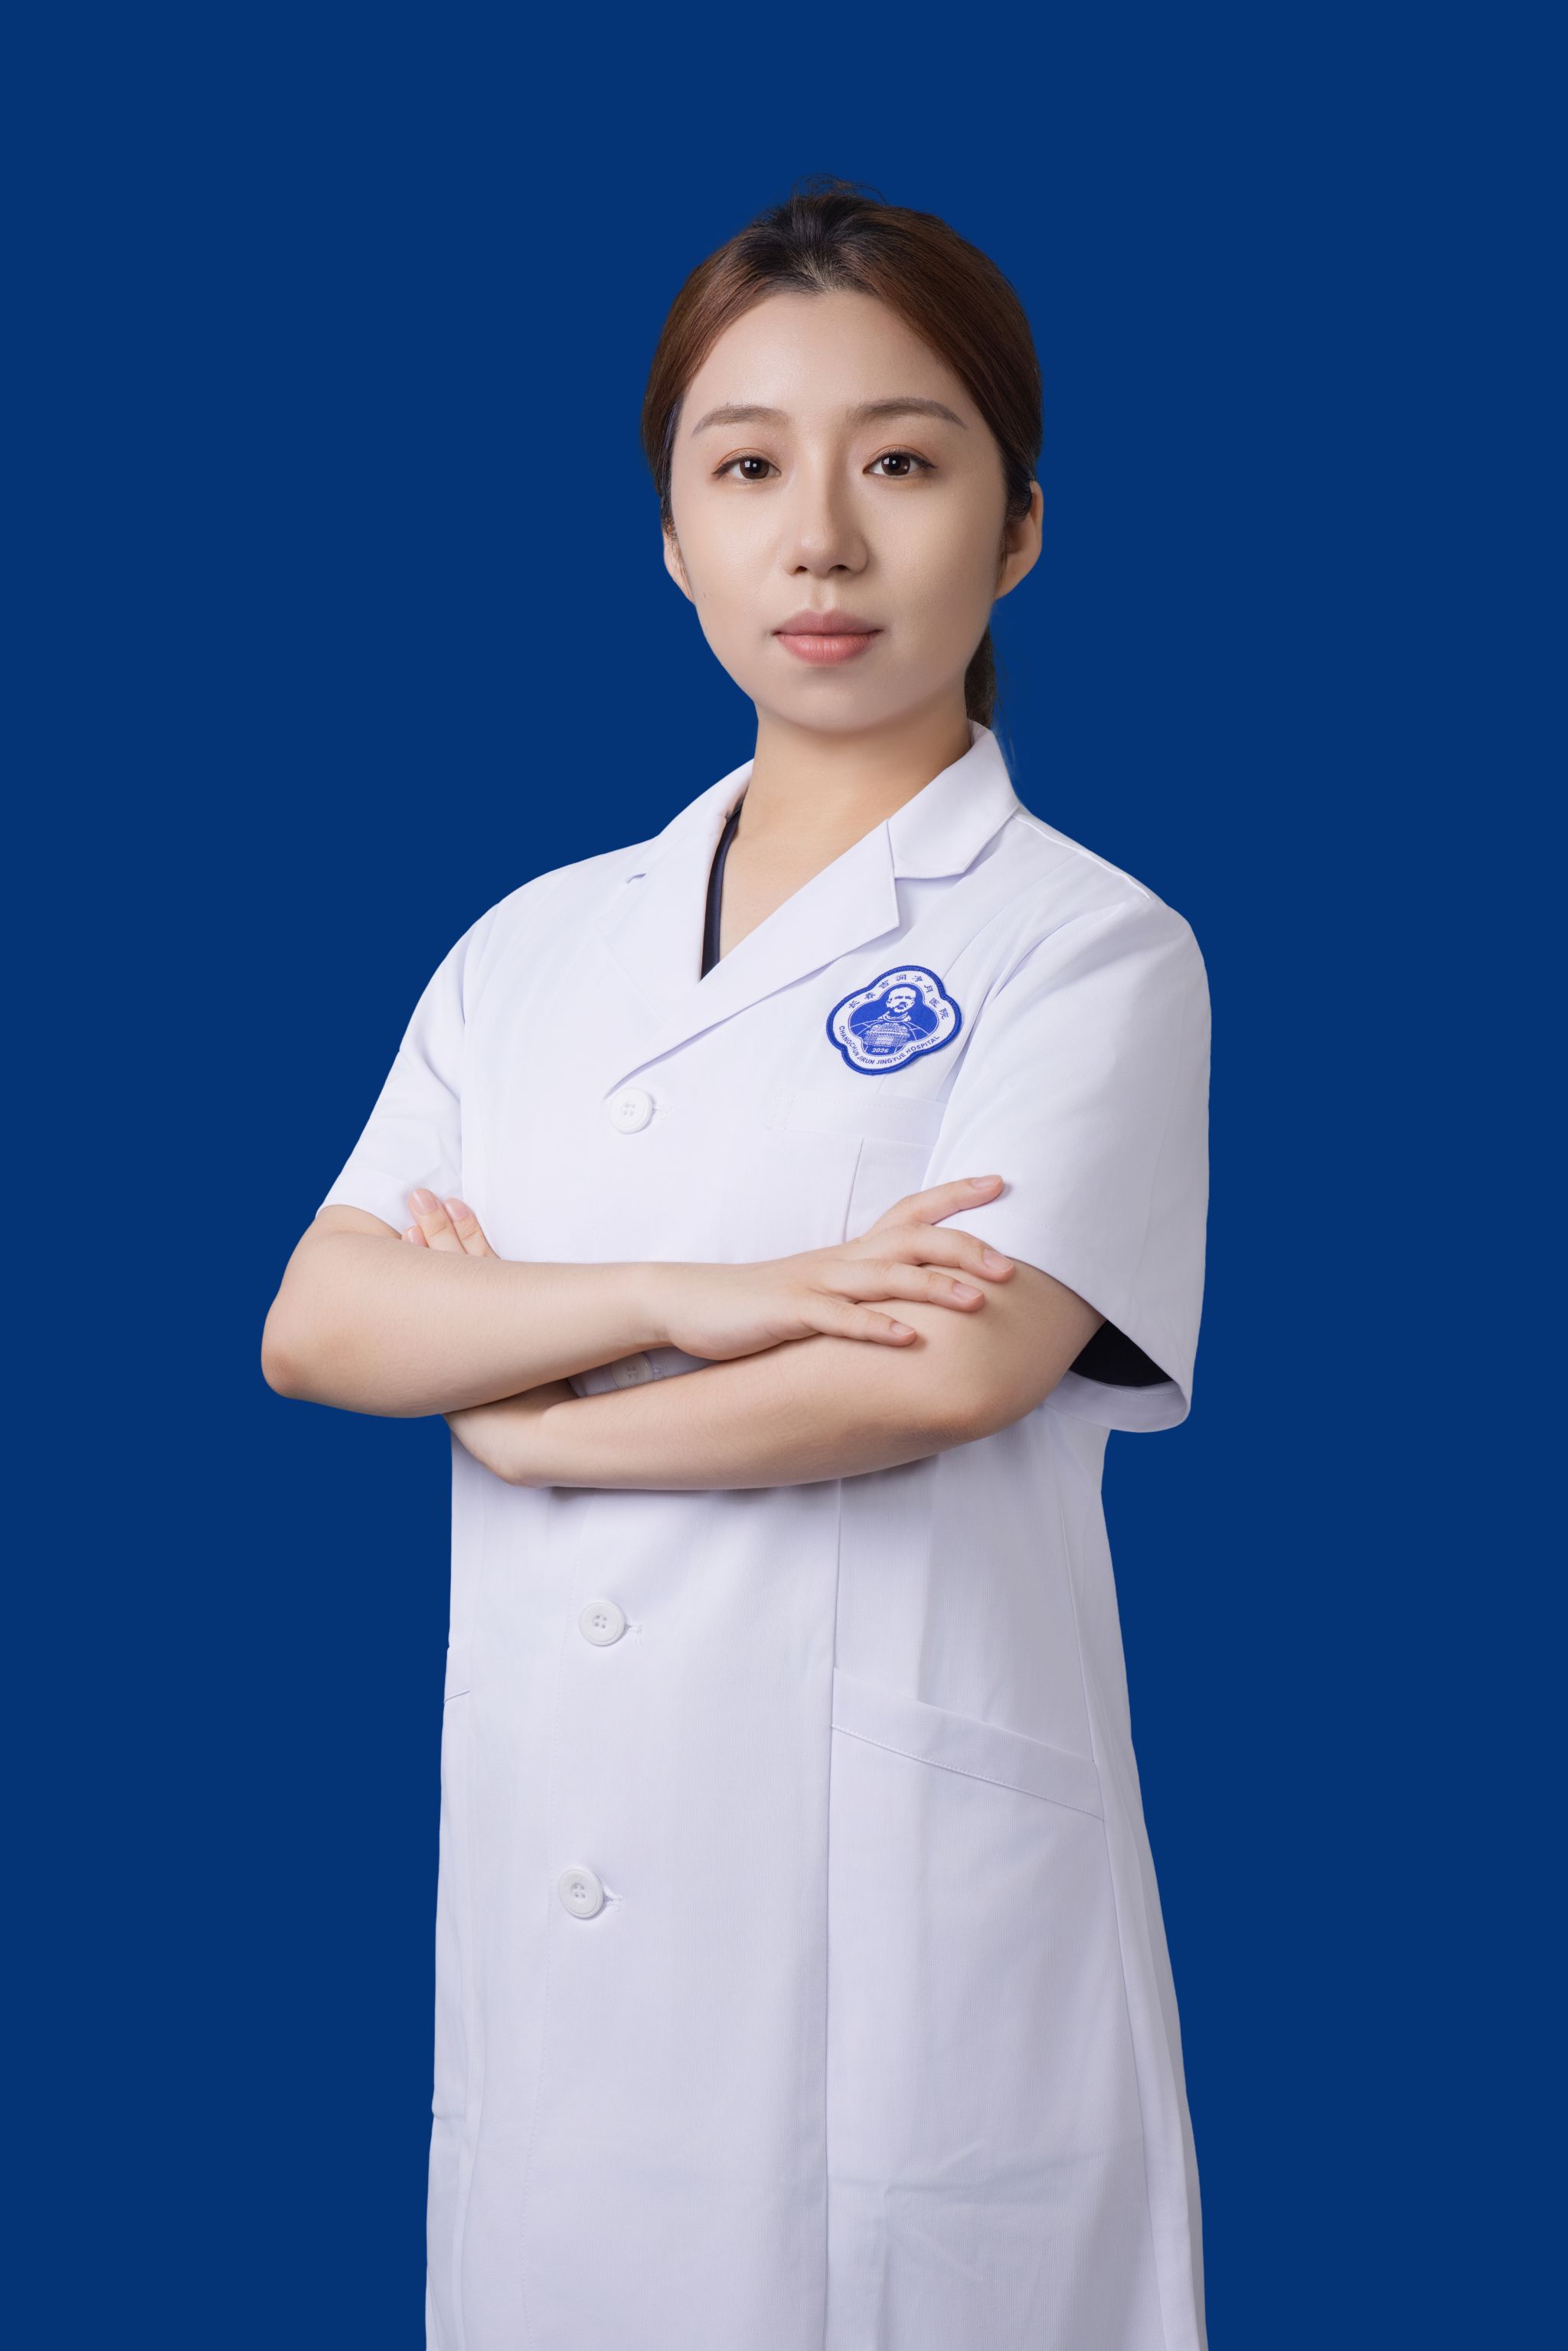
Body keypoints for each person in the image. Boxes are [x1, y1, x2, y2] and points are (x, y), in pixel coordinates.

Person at [262, 180, 1213, 2351]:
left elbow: (947, 1372)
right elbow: (321, 1320)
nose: (825, 543)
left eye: (905, 463)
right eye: (750, 468)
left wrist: (530, 1417)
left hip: (897, 1945)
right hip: (565, 1924)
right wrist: (709, 1295)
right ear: (676, 540)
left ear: (1021, 527)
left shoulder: (1087, 947)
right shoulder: (533, 948)